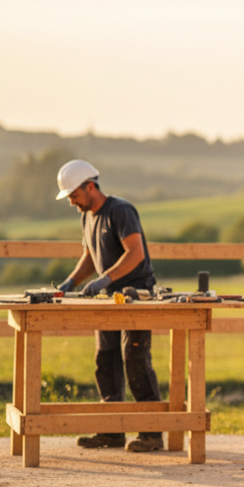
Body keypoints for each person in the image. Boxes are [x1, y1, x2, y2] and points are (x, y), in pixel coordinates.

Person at [53, 159, 164, 453]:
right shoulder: (87, 216)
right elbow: (90, 255)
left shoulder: (120, 211)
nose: (73, 203)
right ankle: (112, 432)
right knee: (106, 359)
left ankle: (152, 434)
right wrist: (71, 281)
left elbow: (135, 253)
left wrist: (106, 279)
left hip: (134, 294)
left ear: (90, 186)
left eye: (74, 195)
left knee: (135, 359)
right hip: (108, 297)